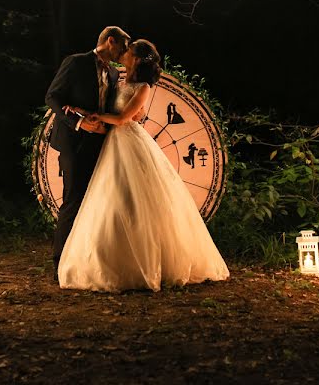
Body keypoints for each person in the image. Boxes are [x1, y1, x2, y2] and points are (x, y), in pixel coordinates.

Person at [58, 39, 229, 292]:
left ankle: (140, 260)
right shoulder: (118, 79)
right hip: (111, 143)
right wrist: (79, 111)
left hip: (128, 140)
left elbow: (124, 118)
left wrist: (95, 117)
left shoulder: (143, 87)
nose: (123, 54)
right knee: (111, 196)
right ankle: (109, 256)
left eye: (128, 52)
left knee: (135, 197)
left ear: (136, 58)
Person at [44, 26, 130, 280]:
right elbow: (52, 97)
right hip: (73, 141)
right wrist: (78, 122)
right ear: (110, 41)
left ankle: (85, 258)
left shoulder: (114, 73)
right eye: (123, 46)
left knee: (96, 199)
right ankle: (60, 262)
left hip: (100, 144)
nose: (124, 52)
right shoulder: (76, 62)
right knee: (73, 198)